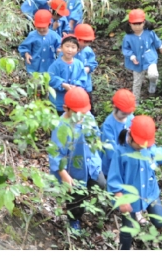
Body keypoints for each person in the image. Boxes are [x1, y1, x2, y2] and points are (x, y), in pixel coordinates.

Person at [108, 113, 162, 250]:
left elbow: (156, 153)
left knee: (160, 220)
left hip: (150, 192)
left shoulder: (147, 147)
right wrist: (120, 198)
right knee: (128, 229)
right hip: (129, 199)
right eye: (140, 144)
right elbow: (114, 178)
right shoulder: (120, 152)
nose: (144, 147)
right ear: (131, 135)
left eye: (146, 145)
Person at [51, 88, 101, 234]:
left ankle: (89, 206)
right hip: (73, 170)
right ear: (66, 109)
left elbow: (95, 136)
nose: (81, 116)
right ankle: (74, 219)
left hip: (91, 164)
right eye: (77, 113)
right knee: (75, 197)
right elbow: (55, 153)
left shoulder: (88, 116)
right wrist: (64, 175)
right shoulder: (61, 127)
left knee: (101, 183)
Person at [122, 8, 162, 103]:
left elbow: (156, 40)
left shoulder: (149, 33)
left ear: (144, 22)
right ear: (130, 24)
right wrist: (132, 56)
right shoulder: (128, 37)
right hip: (137, 62)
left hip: (150, 58)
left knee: (153, 74)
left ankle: (152, 86)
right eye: (134, 24)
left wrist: (160, 47)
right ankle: (135, 102)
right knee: (137, 82)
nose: (137, 26)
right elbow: (125, 49)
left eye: (139, 23)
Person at [100, 89, 136, 185]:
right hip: (112, 166)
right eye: (123, 114)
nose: (126, 116)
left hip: (127, 162)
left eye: (128, 114)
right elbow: (111, 152)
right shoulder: (108, 126)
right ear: (114, 107)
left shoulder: (130, 117)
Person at [48, 35, 90, 113]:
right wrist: (62, 84)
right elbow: (50, 78)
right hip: (59, 101)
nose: (69, 50)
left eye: (73, 47)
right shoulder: (56, 64)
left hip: (74, 101)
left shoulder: (79, 64)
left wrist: (76, 85)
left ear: (77, 50)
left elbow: (83, 78)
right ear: (61, 47)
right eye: (67, 46)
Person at [21, 8, 61, 75]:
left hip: (49, 65)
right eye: (39, 27)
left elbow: (60, 45)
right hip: (34, 65)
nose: (41, 29)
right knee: (34, 82)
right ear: (35, 24)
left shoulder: (54, 35)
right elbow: (24, 46)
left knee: (47, 81)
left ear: (49, 24)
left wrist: (59, 50)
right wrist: (26, 54)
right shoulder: (32, 35)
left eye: (44, 27)